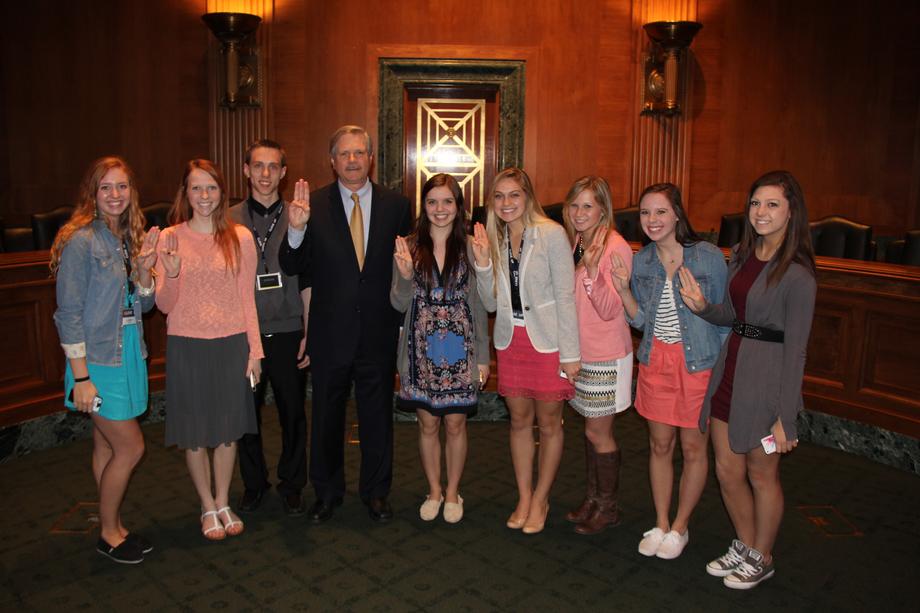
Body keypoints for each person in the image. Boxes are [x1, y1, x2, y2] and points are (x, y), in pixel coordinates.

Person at [679, 170, 816, 589]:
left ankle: (763, 555)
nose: (761, 212)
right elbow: (734, 318)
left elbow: (797, 351)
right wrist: (703, 306)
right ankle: (744, 542)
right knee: (727, 469)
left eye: (773, 204)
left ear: (791, 212)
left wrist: (786, 416)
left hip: (767, 380)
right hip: (731, 368)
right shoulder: (740, 254)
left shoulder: (798, 275)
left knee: (761, 474)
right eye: (756, 203)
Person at [279, 125, 412, 523]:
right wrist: (297, 230)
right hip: (329, 331)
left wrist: (404, 323)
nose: (352, 160)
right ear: (332, 161)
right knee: (326, 415)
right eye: (344, 154)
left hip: (378, 329)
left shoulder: (397, 206)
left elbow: (404, 268)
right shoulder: (311, 205)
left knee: (377, 416)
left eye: (359, 153)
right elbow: (291, 266)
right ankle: (327, 492)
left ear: (371, 159)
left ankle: (375, 492)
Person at [51, 156, 160, 564]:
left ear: (132, 192)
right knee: (130, 447)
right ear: (92, 194)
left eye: (122, 187)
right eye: (106, 188)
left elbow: (144, 304)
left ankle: (113, 524)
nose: (115, 195)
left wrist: (146, 272)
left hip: (127, 350)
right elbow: (68, 313)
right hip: (96, 362)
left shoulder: (128, 237)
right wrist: (81, 378)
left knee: (105, 442)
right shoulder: (82, 241)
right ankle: (108, 532)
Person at [609, 183, 727, 559]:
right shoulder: (641, 261)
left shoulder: (708, 257)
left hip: (698, 363)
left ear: (677, 213)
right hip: (657, 360)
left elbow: (725, 320)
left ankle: (680, 527)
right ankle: (661, 522)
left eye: (660, 211)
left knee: (693, 448)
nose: (652, 220)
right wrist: (625, 291)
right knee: (660, 446)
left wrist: (725, 374)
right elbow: (643, 320)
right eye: (645, 213)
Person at [155, 159, 263, 540]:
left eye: (211, 188)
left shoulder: (241, 237)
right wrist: (168, 273)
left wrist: (255, 351)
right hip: (187, 344)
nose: (204, 196)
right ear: (185, 192)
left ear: (222, 192)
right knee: (196, 433)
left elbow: (246, 297)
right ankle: (206, 504)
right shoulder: (169, 237)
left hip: (232, 342)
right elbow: (164, 305)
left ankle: (224, 499)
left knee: (229, 432)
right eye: (196, 188)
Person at [472, 167, 580, 535]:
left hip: (549, 342)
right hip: (511, 340)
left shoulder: (551, 234)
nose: (506, 203)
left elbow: (566, 297)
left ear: (527, 197)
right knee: (519, 421)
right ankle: (524, 495)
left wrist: (571, 353)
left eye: (514, 195)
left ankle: (542, 498)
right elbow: (488, 302)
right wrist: (483, 263)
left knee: (549, 423)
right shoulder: (493, 238)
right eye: (499, 196)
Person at [391, 173, 490, 524]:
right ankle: (434, 489)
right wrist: (403, 275)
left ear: (458, 205)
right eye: (432, 202)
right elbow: (398, 303)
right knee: (428, 425)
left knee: (456, 425)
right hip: (419, 352)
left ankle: (453, 492)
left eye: (447, 201)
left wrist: (482, 356)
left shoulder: (471, 246)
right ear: (424, 206)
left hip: (461, 352)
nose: (440, 209)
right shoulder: (408, 245)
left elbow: (481, 305)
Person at [230, 139, 311, 516]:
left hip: (288, 329)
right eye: (257, 166)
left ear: (283, 173)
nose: (265, 174)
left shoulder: (301, 216)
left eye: (272, 167)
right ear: (246, 170)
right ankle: (254, 482)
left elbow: (310, 279)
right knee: (245, 413)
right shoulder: (227, 219)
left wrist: (309, 328)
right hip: (242, 333)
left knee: (292, 410)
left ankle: (292, 482)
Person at [561, 176, 634, 535]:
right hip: (582, 352)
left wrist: (592, 273)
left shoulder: (615, 246)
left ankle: (608, 507)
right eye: (574, 205)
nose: (579, 212)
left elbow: (608, 309)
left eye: (587, 205)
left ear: (603, 208)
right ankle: (593, 499)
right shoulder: (579, 241)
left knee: (599, 432)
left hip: (605, 354)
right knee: (590, 432)